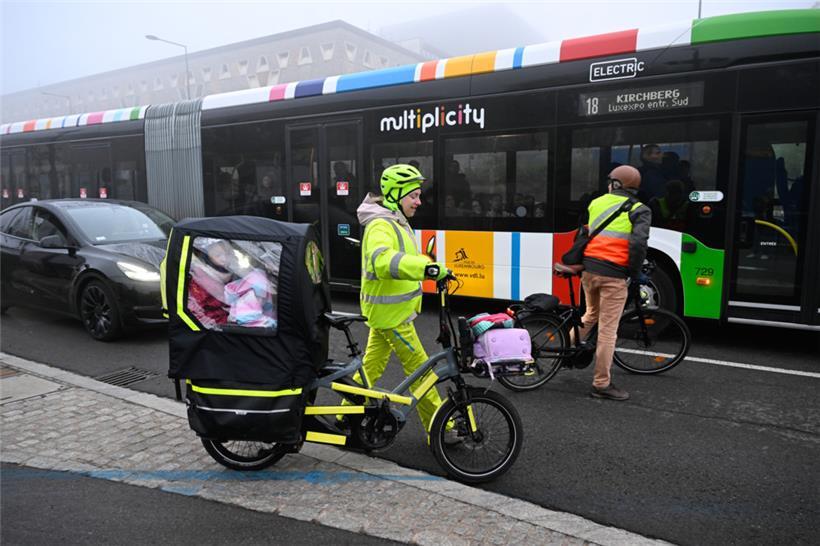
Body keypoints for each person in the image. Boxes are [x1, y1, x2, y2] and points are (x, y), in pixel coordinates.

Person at [354, 163, 455, 441]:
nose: (419, 202)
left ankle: (344, 416)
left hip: (389, 312)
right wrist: (427, 269)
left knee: (370, 367)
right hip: (392, 314)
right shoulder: (380, 225)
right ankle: (440, 429)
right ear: (396, 194)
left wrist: (427, 264)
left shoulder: (395, 221)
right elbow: (383, 260)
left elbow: (402, 258)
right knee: (421, 371)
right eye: (414, 195)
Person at [575, 165, 651, 401]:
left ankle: (565, 353)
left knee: (589, 315)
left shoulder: (596, 203)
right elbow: (638, 245)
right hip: (613, 276)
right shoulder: (641, 210)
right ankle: (601, 384)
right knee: (608, 331)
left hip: (589, 271)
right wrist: (635, 271)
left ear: (616, 184)